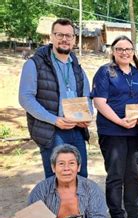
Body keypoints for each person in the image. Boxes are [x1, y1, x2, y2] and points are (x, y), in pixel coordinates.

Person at [19, 18, 92, 179]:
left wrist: (87, 116)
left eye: (69, 35)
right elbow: (25, 98)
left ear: (74, 39)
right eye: (59, 35)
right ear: (51, 37)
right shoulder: (34, 64)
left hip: (77, 131)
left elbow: (87, 96)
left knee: (81, 178)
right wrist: (54, 119)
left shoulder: (77, 67)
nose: (64, 39)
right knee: (58, 181)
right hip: (52, 132)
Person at [91, 35, 138, 218]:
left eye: (128, 49)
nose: (124, 52)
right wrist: (120, 121)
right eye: (120, 49)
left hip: (135, 133)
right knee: (116, 176)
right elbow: (99, 102)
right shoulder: (106, 72)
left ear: (133, 52)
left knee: (132, 175)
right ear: (113, 51)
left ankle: (133, 217)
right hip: (112, 132)